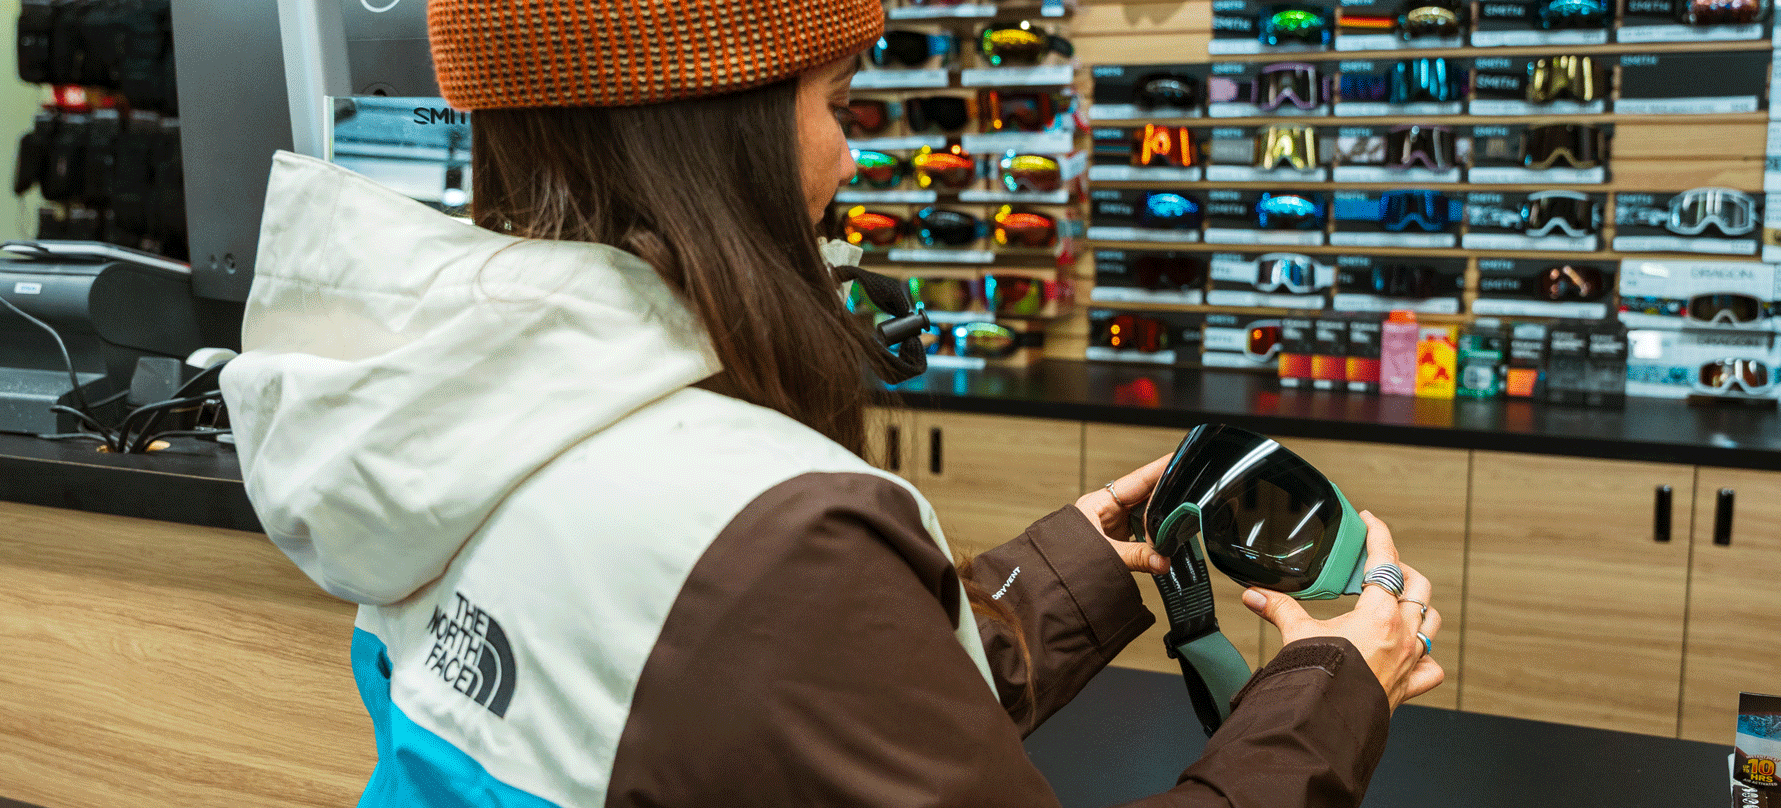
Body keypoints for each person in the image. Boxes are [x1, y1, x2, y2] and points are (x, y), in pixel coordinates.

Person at [220, 1, 1444, 805]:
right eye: (840, 107)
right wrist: (1332, 684)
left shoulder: (452, 414)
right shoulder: (766, 525)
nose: (852, 161)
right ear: (720, 127)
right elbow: (779, 633)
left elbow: (782, 717)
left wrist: (1076, 562)